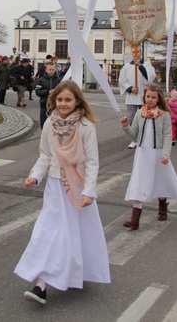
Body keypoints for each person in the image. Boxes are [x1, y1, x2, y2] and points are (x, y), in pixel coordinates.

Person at [14, 80, 110, 305]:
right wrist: (35, 176)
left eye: (68, 99)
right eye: (59, 99)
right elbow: (45, 155)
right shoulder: (50, 124)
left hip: (77, 188)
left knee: (78, 234)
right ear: (53, 100)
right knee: (48, 234)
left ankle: (80, 272)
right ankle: (41, 286)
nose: (63, 103)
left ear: (77, 101)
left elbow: (92, 162)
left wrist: (89, 191)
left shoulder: (85, 126)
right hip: (54, 187)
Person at [120, 83, 177, 230]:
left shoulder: (164, 115)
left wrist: (166, 154)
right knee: (140, 182)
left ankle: (162, 204)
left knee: (159, 180)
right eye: (148, 96)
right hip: (143, 153)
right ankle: (135, 219)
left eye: (153, 97)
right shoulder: (140, 113)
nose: (150, 99)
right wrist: (126, 126)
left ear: (158, 99)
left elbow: (168, 135)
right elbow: (134, 134)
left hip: (158, 153)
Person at [119, 45, 156, 148]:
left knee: (144, 118)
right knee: (131, 119)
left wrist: (140, 66)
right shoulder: (126, 67)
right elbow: (122, 80)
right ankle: (134, 139)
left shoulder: (147, 65)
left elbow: (149, 78)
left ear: (141, 53)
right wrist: (130, 88)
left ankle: (143, 138)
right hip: (131, 97)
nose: (136, 54)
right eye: (134, 52)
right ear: (131, 53)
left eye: (138, 51)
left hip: (144, 97)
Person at [36, 61, 62, 129]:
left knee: (56, 123)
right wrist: (47, 92)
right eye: (50, 70)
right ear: (46, 70)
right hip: (44, 104)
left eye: (53, 69)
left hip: (56, 105)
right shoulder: (41, 80)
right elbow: (37, 91)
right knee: (43, 123)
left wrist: (56, 92)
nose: (52, 71)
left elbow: (63, 92)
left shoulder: (59, 80)